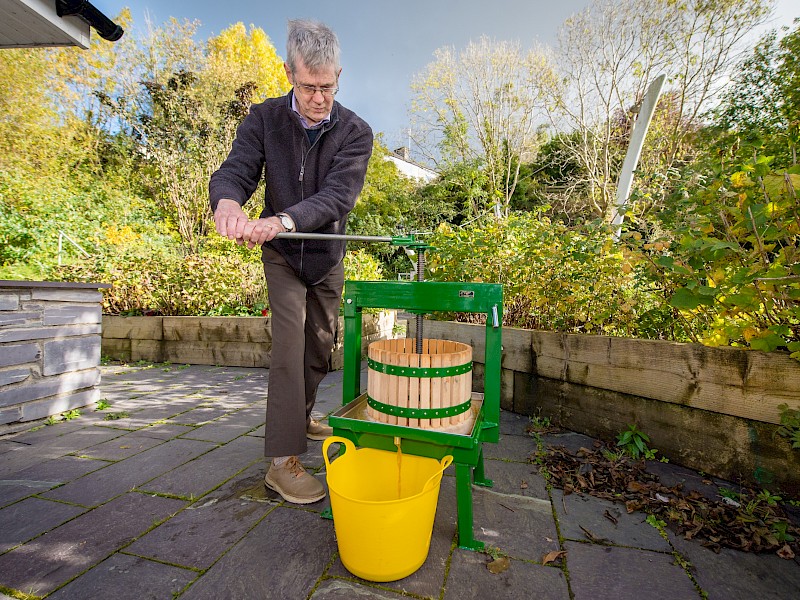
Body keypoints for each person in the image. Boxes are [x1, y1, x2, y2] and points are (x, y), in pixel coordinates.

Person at [209, 19, 373, 504]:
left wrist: (282, 218)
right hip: (281, 256)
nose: (319, 97)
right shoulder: (263, 119)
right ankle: (281, 462)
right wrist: (227, 202)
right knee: (287, 350)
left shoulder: (356, 131)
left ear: (339, 75)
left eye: (328, 86)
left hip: (325, 255)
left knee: (318, 350)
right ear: (288, 73)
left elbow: (337, 197)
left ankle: (300, 418)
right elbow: (236, 171)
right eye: (308, 87)